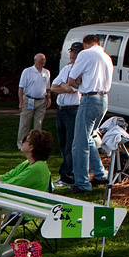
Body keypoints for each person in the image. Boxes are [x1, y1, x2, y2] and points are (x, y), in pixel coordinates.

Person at [65, 34, 113, 193]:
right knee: (90, 137)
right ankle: (100, 174)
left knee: (79, 144)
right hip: (103, 99)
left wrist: (78, 84)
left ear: (86, 44)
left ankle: (82, 183)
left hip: (89, 99)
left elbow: (71, 79)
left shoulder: (86, 54)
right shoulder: (107, 57)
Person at [49, 42, 84, 188]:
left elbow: (73, 89)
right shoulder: (67, 68)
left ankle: (70, 175)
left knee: (70, 144)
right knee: (63, 143)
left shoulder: (81, 70)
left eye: (75, 53)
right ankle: (65, 174)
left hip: (73, 109)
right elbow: (53, 87)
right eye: (71, 52)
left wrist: (62, 86)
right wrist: (63, 86)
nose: (72, 55)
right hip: (61, 109)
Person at [16, 53, 51, 150]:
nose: (42, 62)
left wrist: (49, 98)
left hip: (41, 101)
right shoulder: (27, 71)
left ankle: (35, 144)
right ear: (35, 60)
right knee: (25, 123)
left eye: (44, 60)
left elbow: (47, 88)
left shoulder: (46, 72)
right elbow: (21, 88)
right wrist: (21, 102)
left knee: (38, 124)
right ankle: (21, 143)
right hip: (29, 100)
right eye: (41, 60)